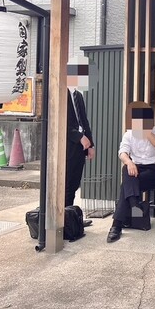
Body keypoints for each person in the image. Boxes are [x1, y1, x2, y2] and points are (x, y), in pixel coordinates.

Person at [107, 102, 155, 243]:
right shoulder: (129, 134)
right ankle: (134, 205)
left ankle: (117, 226)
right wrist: (129, 162)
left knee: (125, 187)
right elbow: (122, 152)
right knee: (126, 169)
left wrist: (145, 131)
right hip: (137, 169)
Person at [65, 57, 95, 228]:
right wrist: (78, 136)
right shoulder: (60, 93)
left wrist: (91, 145)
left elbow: (84, 121)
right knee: (66, 184)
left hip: (80, 148)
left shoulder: (78, 95)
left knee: (75, 183)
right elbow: (60, 122)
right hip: (67, 146)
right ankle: (65, 221)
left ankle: (71, 218)